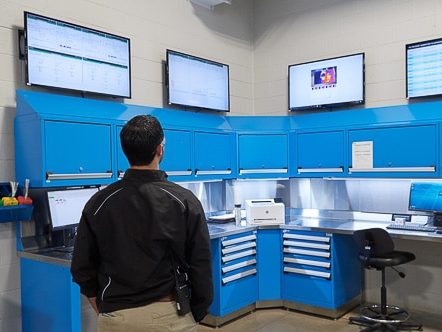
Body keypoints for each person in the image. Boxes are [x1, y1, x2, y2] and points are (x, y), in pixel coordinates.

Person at [71, 115, 213, 331]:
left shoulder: (98, 202)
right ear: (160, 150)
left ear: (125, 151)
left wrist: (105, 309)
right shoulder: (183, 201)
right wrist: (198, 312)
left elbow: (82, 267)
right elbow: (200, 264)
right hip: (170, 315)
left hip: (117, 318)